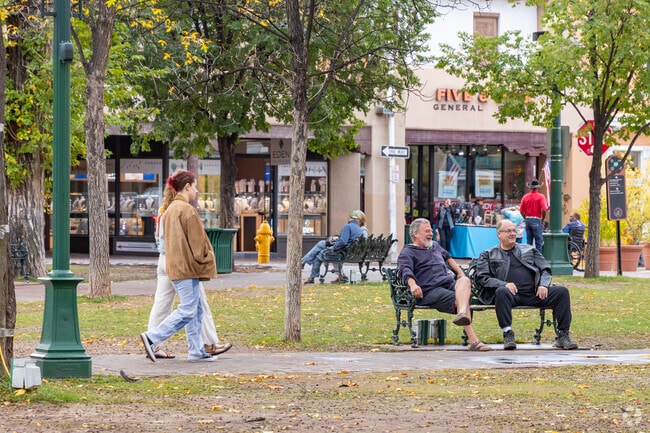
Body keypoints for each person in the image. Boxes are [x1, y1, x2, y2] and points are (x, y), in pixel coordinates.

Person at [146, 178, 232, 359]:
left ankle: (196, 350)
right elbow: (197, 244)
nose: (197, 191)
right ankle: (152, 338)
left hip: (169, 262)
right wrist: (207, 258)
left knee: (176, 305)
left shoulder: (167, 211)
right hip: (185, 266)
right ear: (187, 186)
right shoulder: (187, 210)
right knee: (191, 308)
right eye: (195, 186)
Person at [475, 219, 578, 351]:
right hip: (510, 296)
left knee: (562, 292)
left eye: (514, 230)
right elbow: (483, 278)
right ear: (499, 234)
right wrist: (504, 284)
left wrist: (543, 285)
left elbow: (545, 269)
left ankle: (563, 335)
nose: (512, 234)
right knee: (501, 291)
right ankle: (508, 334)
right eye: (508, 231)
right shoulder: (488, 254)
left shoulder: (529, 249)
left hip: (534, 293)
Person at [397, 218, 492, 351]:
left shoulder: (435, 245)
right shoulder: (408, 251)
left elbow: (448, 257)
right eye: (427, 231)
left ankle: (462, 313)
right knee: (461, 299)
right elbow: (405, 271)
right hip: (429, 290)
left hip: (448, 283)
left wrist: (459, 272)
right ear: (415, 234)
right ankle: (474, 341)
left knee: (464, 281)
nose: (431, 233)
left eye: (431, 230)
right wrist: (413, 285)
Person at [303, 210, 366, 284]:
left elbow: (343, 242)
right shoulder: (358, 229)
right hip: (349, 253)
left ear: (349, 219)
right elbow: (347, 240)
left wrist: (333, 247)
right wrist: (337, 238)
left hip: (342, 253)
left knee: (320, 249)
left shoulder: (348, 226)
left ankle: (308, 268)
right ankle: (306, 264)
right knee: (320, 249)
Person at [519, 178, 548, 253]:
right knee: (538, 242)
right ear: (538, 188)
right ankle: (538, 260)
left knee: (529, 242)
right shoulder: (541, 196)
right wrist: (542, 219)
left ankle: (529, 259)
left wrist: (526, 218)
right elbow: (544, 210)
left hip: (528, 220)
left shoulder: (525, 197)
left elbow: (521, 211)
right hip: (536, 220)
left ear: (530, 188)